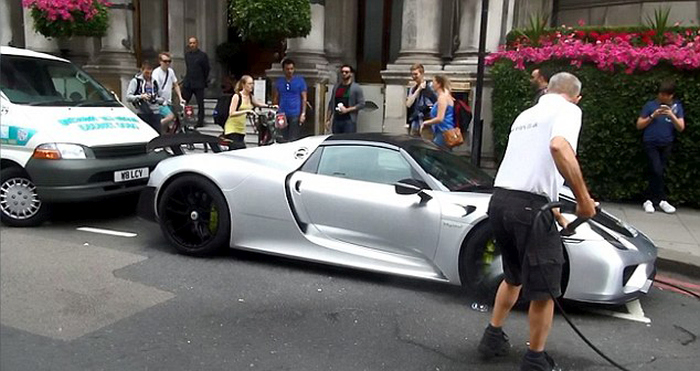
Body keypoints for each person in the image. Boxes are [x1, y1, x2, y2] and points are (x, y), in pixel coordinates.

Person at [477, 72, 597, 371]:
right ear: (576, 96)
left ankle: (492, 337)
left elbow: (527, 168)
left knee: (514, 275)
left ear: (549, 90)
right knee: (544, 288)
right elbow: (559, 147)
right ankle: (535, 359)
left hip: (501, 201)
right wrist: (583, 200)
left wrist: (555, 210)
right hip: (529, 208)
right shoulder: (569, 110)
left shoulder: (527, 114)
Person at [636, 81, 685, 214]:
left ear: (671, 96)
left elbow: (681, 127)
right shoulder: (650, 105)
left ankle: (651, 200)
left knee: (658, 172)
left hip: (666, 143)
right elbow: (639, 124)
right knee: (656, 169)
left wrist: (671, 116)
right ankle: (659, 199)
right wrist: (653, 116)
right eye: (660, 94)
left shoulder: (676, 107)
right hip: (650, 142)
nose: (662, 97)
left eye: (665, 95)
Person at [224, 75, 267, 148]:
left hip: (241, 129)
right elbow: (231, 113)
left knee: (237, 150)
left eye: (252, 84)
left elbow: (257, 104)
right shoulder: (237, 96)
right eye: (249, 84)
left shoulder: (250, 96)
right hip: (232, 128)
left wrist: (270, 106)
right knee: (239, 149)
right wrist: (246, 111)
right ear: (243, 85)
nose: (252, 86)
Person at [273, 59, 307, 141]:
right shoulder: (279, 82)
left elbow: (304, 98)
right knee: (282, 137)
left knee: (293, 137)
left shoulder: (300, 81)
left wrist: (303, 113)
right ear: (283, 70)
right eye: (287, 69)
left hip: (295, 113)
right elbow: (275, 97)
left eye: (291, 69)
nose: (290, 71)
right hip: (282, 113)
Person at [126, 61, 164, 134]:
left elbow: (162, 98)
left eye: (150, 73)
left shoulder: (155, 82)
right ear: (142, 70)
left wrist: (155, 99)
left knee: (157, 134)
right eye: (146, 73)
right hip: (143, 112)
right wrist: (141, 97)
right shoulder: (136, 81)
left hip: (155, 113)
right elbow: (128, 97)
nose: (148, 75)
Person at [325, 65, 365, 134]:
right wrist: (328, 119)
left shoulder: (356, 88)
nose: (344, 74)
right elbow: (331, 103)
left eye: (346, 72)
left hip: (349, 120)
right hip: (336, 120)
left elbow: (361, 104)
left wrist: (347, 110)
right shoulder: (336, 87)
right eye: (342, 72)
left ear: (351, 74)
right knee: (336, 140)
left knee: (348, 141)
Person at [152, 52, 184, 134]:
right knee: (170, 117)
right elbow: (155, 87)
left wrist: (180, 98)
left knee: (166, 126)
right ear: (160, 61)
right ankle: (154, 126)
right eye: (165, 61)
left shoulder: (171, 72)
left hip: (168, 101)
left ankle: (162, 139)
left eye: (169, 61)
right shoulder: (156, 73)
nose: (167, 63)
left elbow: (176, 84)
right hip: (160, 103)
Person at [421, 74, 455, 149]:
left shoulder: (442, 98)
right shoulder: (445, 95)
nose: (432, 85)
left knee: (433, 154)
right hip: (444, 131)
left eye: (433, 82)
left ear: (439, 84)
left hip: (443, 131)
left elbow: (440, 118)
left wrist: (426, 122)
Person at [182, 36, 210, 127]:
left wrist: (203, 79)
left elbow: (207, 69)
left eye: (194, 43)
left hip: (199, 83)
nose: (192, 45)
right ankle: (183, 119)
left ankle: (200, 121)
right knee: (184, 101)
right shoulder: (187, 55)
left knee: (200, 103)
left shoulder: (203, 55)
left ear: (197, 44)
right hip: (188, 82)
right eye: (190, 43)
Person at [406, 63, 437, 137]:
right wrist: (418, 89)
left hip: (427, 122)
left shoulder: (430, 86)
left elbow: (436, 101)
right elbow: (408, 104)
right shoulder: (413, 88)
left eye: (416, 74)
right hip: (415, 122)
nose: (414, 77)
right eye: (412, 74)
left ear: (422, 73)